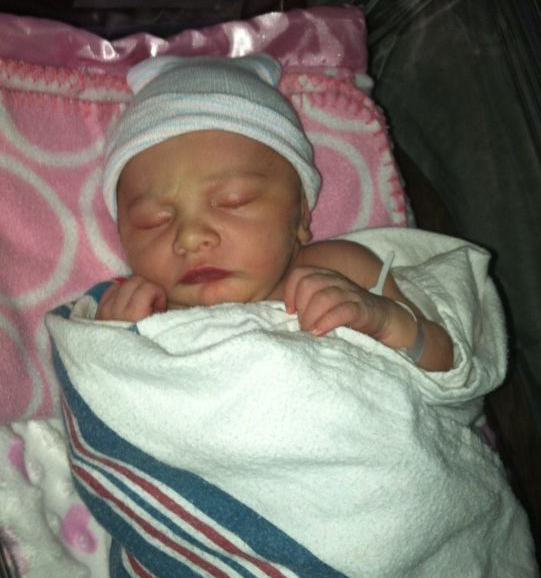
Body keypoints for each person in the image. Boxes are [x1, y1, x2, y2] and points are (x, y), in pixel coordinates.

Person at [98, 54, 453, 372]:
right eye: (153, 221)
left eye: (234, 201)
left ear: (301, 215)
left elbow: (448, 367)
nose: (190, 237)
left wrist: (385, 321)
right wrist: (110, 346)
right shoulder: (130, 310)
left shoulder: (341, 268)